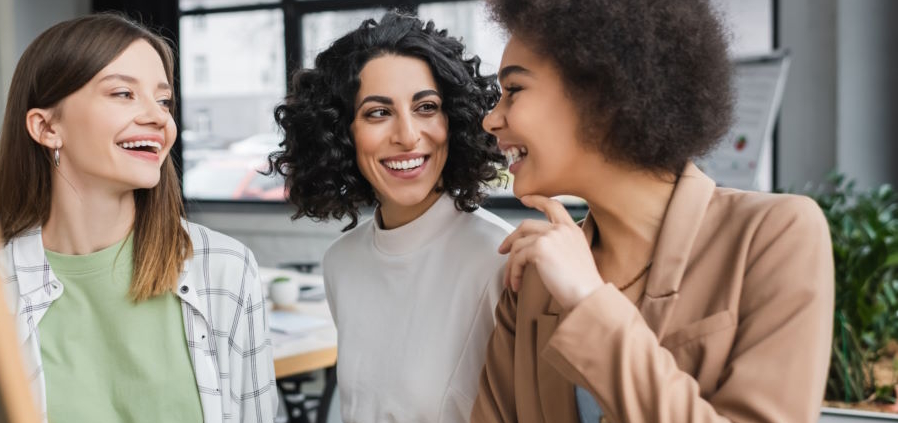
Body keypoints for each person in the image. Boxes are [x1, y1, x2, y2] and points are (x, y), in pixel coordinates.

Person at [471, 0, 835, 422]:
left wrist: (588, 299)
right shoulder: (532, 278)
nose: (491, 120)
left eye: (513, 90)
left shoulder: (775, 235)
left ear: (602, 93)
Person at [0, 14, 277, 423]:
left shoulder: (225, 269)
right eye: (124, 93)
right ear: (47, 127)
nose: (159, 118)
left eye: (163, 101)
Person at [268, 12, 511, 422]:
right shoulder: (341, 262)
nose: (408, 135)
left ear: (454, 120)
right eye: (378, 113)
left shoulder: (498, 260)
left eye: (427, 107)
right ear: (341, 134)